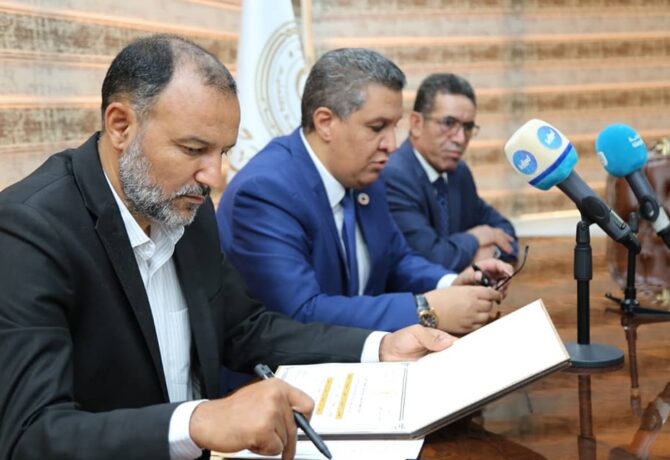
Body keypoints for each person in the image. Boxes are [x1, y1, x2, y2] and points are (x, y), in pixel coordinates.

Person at [0, 35, 456, 460]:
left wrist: (380, 346)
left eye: (222, 152)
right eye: (193, 149)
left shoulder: (184, 206)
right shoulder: (29, 230)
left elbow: (245, 329)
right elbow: (29, 433)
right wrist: (198, 421)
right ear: (121, 126)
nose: (213, 177)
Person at [218, 49, 512, 337]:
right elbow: (301, 313)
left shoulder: (363, 174)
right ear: (325, 123)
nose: (392, 145)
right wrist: (424, 309)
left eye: (394, 127)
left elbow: (397, 260)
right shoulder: (265, 191)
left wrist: (450, 284)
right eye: (377, 127)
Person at [383, 73, 518, 272]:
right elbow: (431, 258)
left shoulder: (459, 173)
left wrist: (490, 253)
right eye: (448, 123)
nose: (460, 139)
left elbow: (506, 231)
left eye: (468, 127)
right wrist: (477, 237)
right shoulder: (394, 175)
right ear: (416, 124)